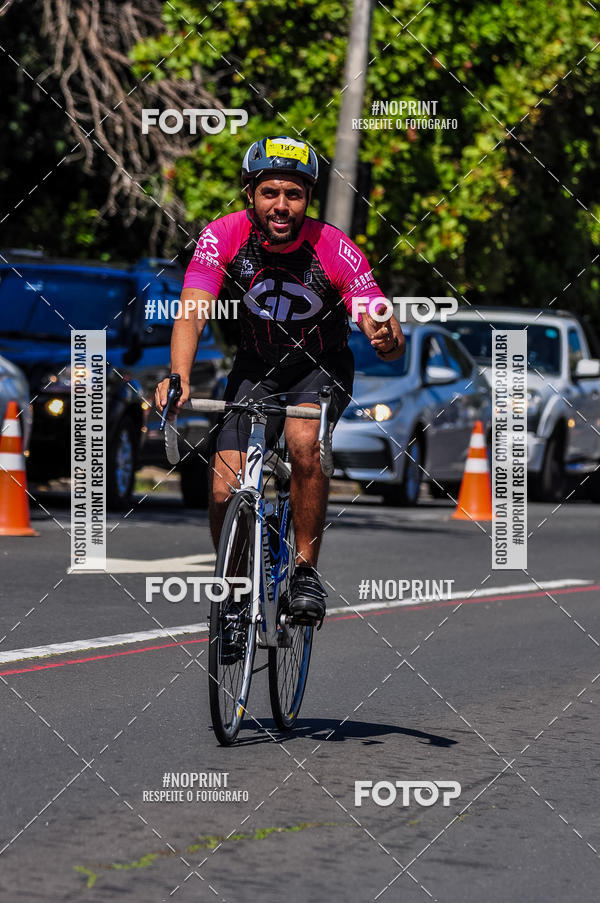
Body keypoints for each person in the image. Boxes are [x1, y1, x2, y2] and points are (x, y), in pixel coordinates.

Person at [156, 135, 405, 624]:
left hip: (320, 366)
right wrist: (178, 376)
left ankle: (306, 571)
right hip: (255, 367)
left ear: (307, 199)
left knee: (302, 441)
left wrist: (386, 336)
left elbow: (375, 314)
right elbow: (191, 314)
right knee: (225, 485)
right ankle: (231, 589)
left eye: (294, 194)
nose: (281, 205)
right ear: (250, 193)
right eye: (270, 192)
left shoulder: (335, 248)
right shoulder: (223, 236)